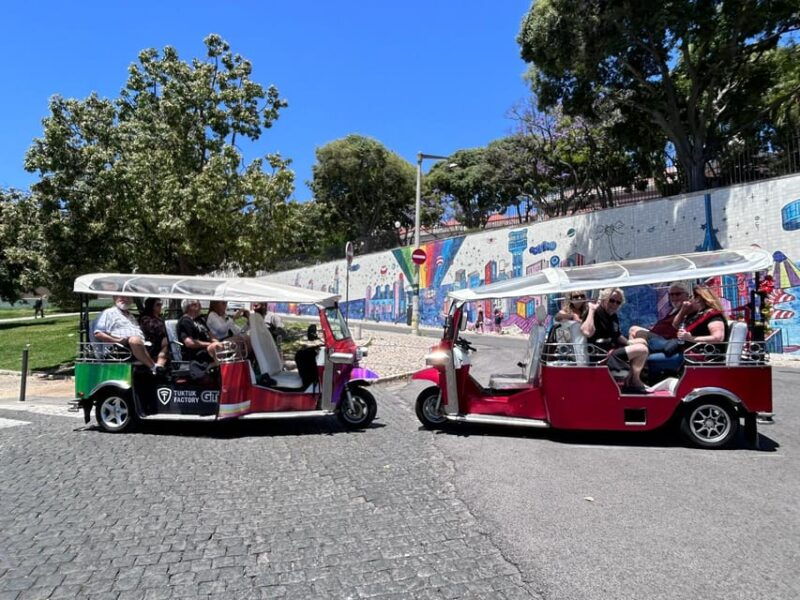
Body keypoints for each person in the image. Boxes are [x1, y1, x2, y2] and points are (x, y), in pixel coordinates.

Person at [581, 287, 649, 393]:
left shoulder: (613, 316)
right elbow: (587, 332)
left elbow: (616, 335)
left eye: (618, 302)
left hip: (613, 350)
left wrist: (630, 342)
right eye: (612, 300)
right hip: (603, 355)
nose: (614, 304)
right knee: (642, 350)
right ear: (604, 299)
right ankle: (634, 380)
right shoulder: (596, 312)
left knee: (642, 342)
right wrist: (592, 310)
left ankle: (630, 378)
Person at [93, 295, 160, 372]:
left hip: (137, 347)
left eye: (128, 297)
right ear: (114, 298)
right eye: (121, 297)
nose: (125, 299)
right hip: (118, 349)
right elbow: (98, 333)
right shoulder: (108, 313)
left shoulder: (130, 315)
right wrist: (117, 340)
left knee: (164, 341)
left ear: (132, 300)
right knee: (134, 340)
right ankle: (154, 367)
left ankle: (161, 369)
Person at [628, 282, 691, 355]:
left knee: (634, 330)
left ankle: (633, 355)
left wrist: (684, 308)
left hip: (665, 339)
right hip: (657, 335)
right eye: (671, 295)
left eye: (678, 294)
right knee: (637, 339)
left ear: (686, 295)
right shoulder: (674, 309)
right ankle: (636, 357)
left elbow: (676, 325)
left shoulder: (686, 308)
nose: (674, 297)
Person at [672, 285, 729, 359]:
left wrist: (690, 338)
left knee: (654, 359)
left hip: (700, 356)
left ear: (698, 299)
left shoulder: (713, 315)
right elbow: (675, 325)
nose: (688, 301)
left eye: (690, 297)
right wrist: (683, 309)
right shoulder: (698, 314)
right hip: (687, 351)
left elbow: (718, 338)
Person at [139, 298, 169, 368]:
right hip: (151, 342)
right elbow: (154, 330)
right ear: (151, 306)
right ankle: (159, 365)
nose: (160, 306)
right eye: (158, 305)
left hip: (160, 340)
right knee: (168, 342)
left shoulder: (160, 317)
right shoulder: (145, 318)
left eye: (161, 304)